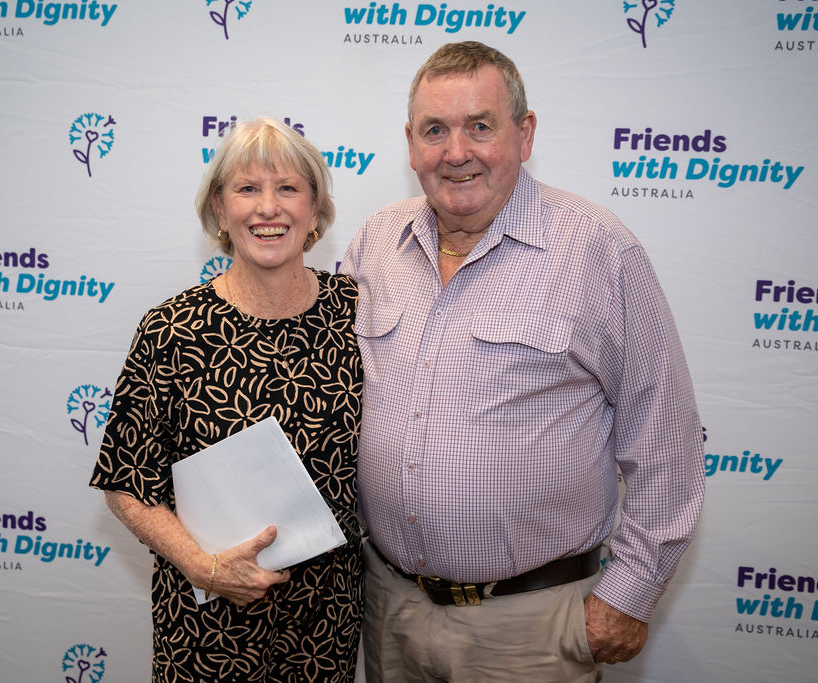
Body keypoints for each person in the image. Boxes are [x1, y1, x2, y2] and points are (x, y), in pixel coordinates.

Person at [340, 41, 706, 682]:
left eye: (480, 126)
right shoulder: (376, 243)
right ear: (410, 144)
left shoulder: (598, 249)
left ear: (525, 133)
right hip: (390, 609)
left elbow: (666, 437)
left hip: (531, 627)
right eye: (435, 130)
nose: (457, 152)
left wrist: (628, 595)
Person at [90, 117, 364, 682]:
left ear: (316, 209)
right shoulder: (171, 329)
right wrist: (204, 567)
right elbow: (125, 483)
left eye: (288, 188)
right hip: (207, 626)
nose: (268, 208)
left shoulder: (355, 313)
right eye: (247, 189)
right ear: (219, 208)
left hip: (325, 622)